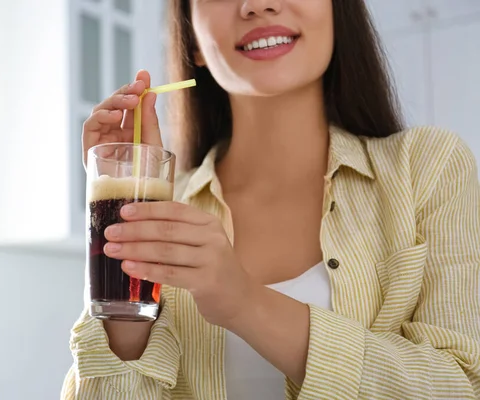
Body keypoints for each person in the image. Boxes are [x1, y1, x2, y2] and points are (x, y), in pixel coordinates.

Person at [62, 0, 480, 399]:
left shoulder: (428, 167)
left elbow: (461, 387)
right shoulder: (162, 209)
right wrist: (122, 233)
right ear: (193, 42)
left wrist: (246, 303)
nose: (257, 5)